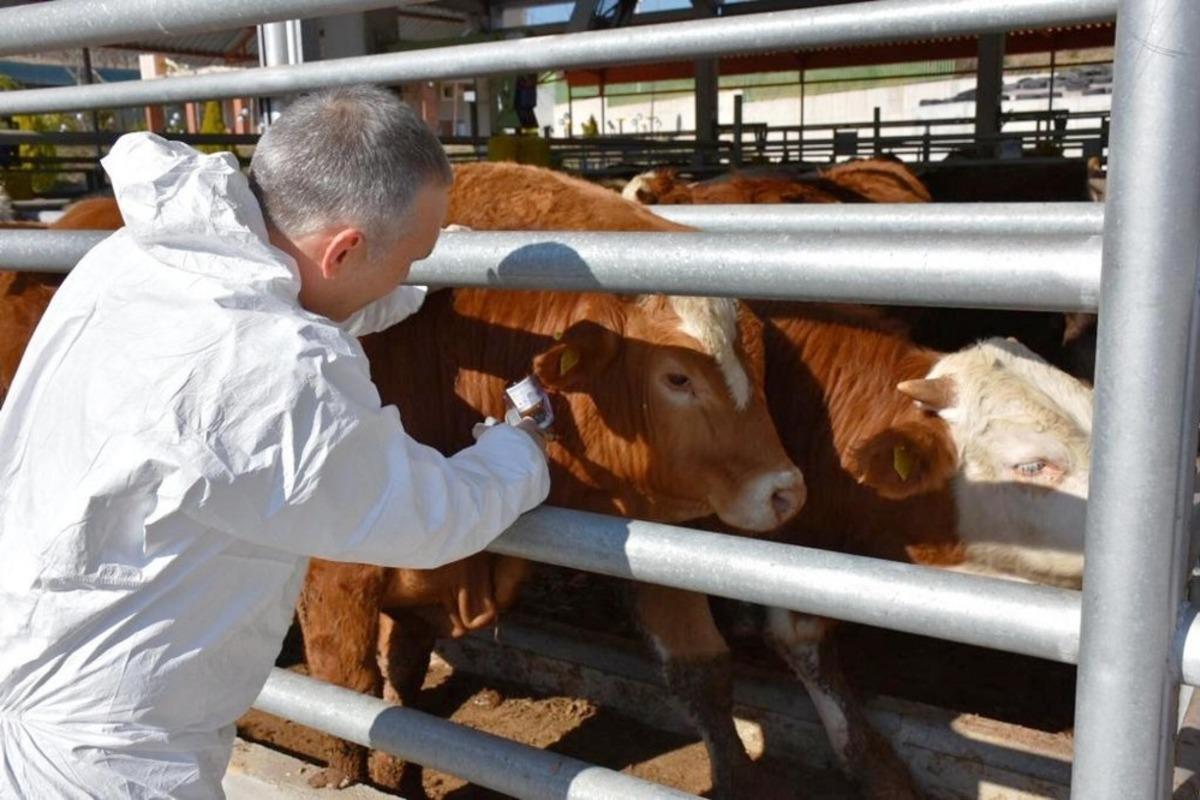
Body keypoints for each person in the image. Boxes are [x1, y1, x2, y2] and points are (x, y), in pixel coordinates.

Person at [0, 85, 550, 799]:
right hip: (107, 759)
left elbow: (275, 311)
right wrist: (520, 449)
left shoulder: (143, 256)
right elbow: (426, 515)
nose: (414, 272)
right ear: (346, 248)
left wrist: (405, 288)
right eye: (412, 258)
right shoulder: (273, 369)